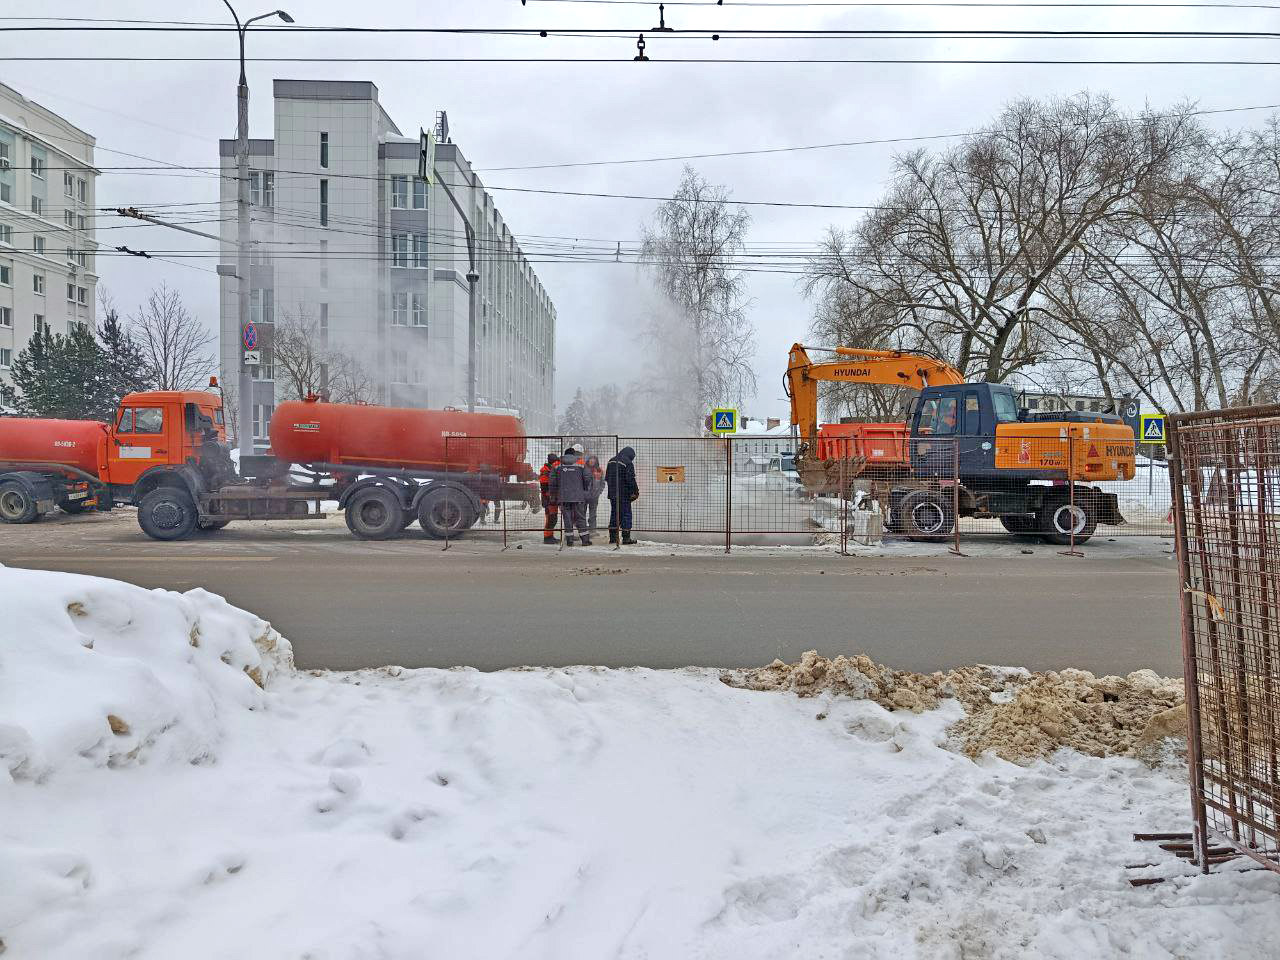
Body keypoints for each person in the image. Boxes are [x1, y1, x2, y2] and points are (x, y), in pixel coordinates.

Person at [549, 445, 591, 546]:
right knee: (580, 517)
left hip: (563, 496)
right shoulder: (581, 463)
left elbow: (552, 481)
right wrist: (584, 488)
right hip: (578, 496)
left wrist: (553, 494)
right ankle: (585, 540)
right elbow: (587, 478)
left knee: (567, 518)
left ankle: (569, 540)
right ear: (574, 454)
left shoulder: (556, 464)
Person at [605, 446, 639, 545]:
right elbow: (630, 479)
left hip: (612, 493)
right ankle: (626, 538)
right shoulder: (627, 462)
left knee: (614, 514)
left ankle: (613, 538)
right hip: (624, 494)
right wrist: (635, 491)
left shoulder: (611, 461)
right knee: (626, 514)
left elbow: (607, 478)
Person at [539, 452, 560, 544]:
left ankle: (550, 536)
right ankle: (547, 537)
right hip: (548, 499)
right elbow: (544, 487)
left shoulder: (549, 470)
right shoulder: (545, 471)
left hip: (551, 498)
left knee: (553, 518)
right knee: (551, 518)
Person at [584, 454, 605, 531]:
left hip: (595, 495)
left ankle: (592, 529)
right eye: (591, 459)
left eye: (594, 459)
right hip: (584, 495)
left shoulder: (599, 470)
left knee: (593, 514)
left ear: (596, 461)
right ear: (588, 460)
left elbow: (602, 483)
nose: (592, 460)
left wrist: (599, 492)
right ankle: (583, 529)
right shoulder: (584, 469)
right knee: (582, 512)